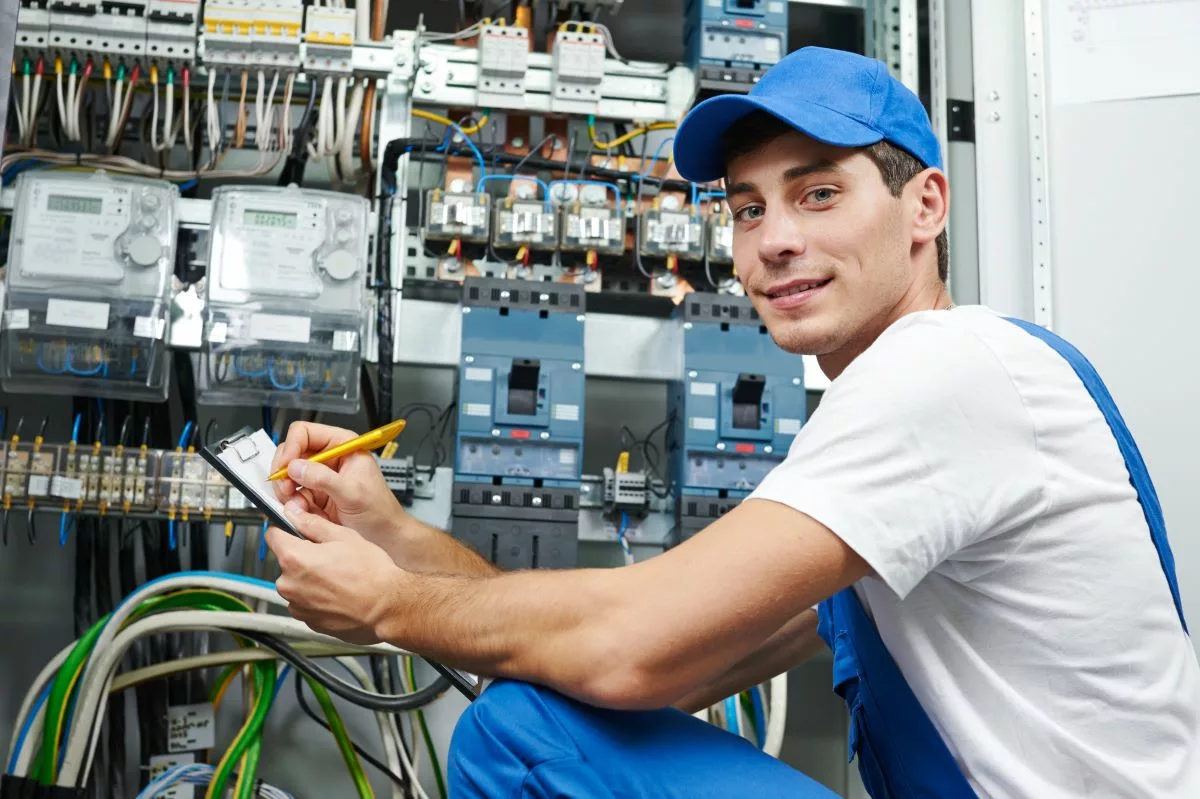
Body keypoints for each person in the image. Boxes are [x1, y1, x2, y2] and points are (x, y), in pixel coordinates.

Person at [265, 47, 1200, 797]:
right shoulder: (915, 436)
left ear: (926, 207)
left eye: (818, 193)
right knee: (541, 714)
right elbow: (658, 659)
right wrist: (395, 539)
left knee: (519, 736)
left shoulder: (945, 372)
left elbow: (626, 647)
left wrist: (387, 603)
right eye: (748, 209)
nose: (775, 239)